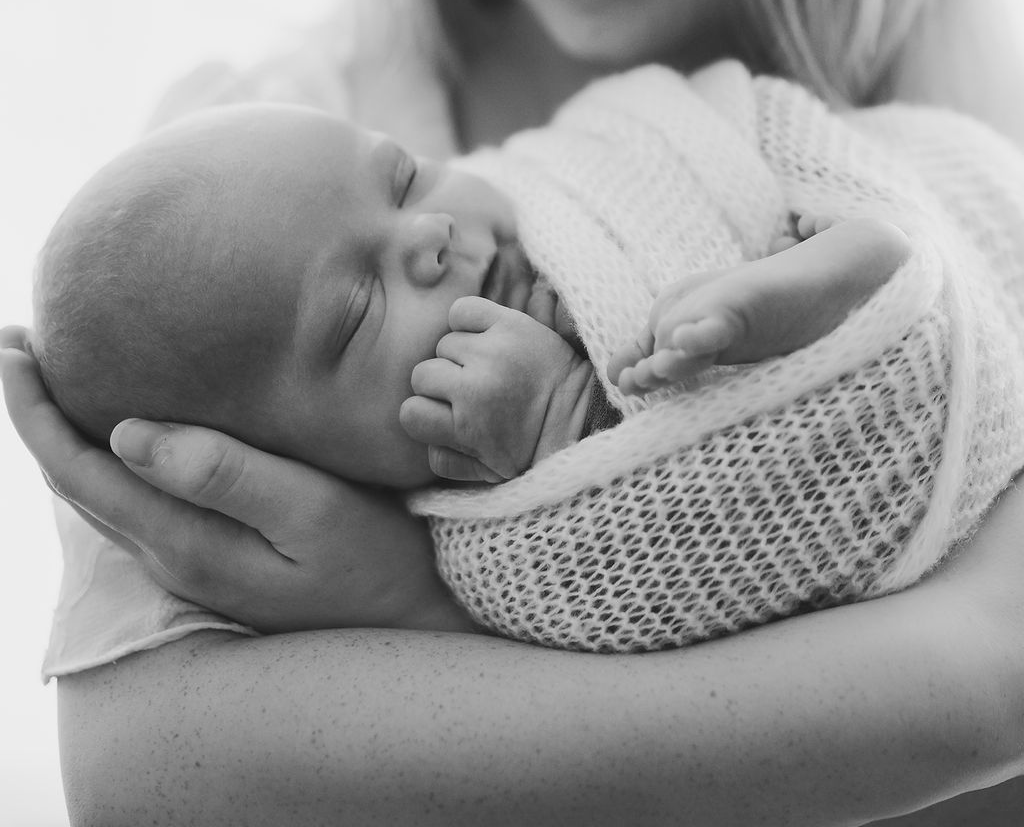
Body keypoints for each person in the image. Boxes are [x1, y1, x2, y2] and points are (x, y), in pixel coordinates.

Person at [5, 0, 1024, 821]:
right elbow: (149, 775)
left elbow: (985, 686)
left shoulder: (979, 178)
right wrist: (936, 680)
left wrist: (407, 606)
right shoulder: (244, 180)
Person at [31, 60, 1024, 659]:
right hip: (865, 419)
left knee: (786, 146)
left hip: (940, 188)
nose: (427, 233)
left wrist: (724, 158)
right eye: (362, 307)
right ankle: (855, 296)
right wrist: (560, 423)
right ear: (293, 468)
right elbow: (639, 583)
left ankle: (848, 241)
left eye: (404, 174)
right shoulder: (470, 522)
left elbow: (660, 134)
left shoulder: (522, 187)